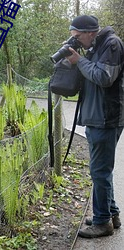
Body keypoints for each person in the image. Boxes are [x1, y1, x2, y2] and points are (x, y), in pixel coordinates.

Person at [66, 15, 124, 238]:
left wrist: (79, 61)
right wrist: (76, 59)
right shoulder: (95, 46)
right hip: (96, 117)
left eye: (78, 37)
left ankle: (102, 223)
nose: (77, 41)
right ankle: (111, 214)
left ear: (90, 32)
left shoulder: (112, 44)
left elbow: (103, 77)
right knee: (101, 171)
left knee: (99, 171)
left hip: (106, 118)